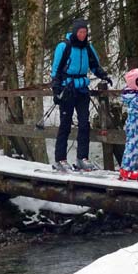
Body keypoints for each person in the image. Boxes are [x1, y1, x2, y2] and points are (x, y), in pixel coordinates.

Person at [50, 19, 112, 172]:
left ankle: (82, 158)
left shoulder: (88, 47)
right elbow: (56, 70)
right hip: (67, 89)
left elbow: (95, 65)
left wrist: (104, 75)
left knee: (84, 124)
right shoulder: (64, 46)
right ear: (75, 32)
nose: (83, 35)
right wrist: (56, 90)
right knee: (65, 124)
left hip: (82, 89)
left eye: (85, 32)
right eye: (80, 32)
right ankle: (60, 159)